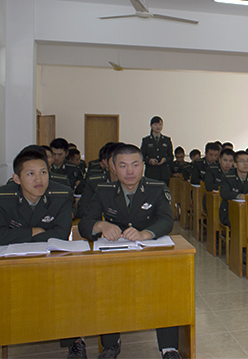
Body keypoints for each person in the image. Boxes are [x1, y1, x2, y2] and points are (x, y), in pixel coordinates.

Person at [79, 144, 181, 359]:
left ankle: (169, 348)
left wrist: (147, 233)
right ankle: (110, 345)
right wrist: (100, 226)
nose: (130, 171)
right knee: (106, 292)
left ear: (143, 165)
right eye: (123, 165)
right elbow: (85, 223)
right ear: (113, 167)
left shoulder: (156, 187)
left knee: (167, 290)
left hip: (150, 254)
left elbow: (166, 220)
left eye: (135, 165)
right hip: (116, 256)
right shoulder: (104, 190)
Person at [0, 146, 80, 356]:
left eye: (43, 172)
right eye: (30, 174)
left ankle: (75, 339)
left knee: (75, 283)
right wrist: (33, 231)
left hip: (51, 259)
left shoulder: (62, 193)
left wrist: (18, 234)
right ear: (16, 179)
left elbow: (60, 234)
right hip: (12, 263)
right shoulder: (2, 197)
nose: (39, 179)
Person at [76, 142, 123, 219]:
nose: (119, 164)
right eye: (114, 160)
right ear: (106, 162)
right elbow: (82, 211)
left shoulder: (139, 184)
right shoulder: (95, 183)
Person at [219, 151, 248, 226]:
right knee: (241, 222)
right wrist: (242, 196)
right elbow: (224, 193)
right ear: (235, 164)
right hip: (230, 212)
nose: (246, 164)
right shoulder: (227, 177)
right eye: (242, 161)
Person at [140, 116, 174, 185]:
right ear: (151, 126)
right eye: (155, 124)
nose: (158, 126)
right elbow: (141, 156)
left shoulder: (167, 140)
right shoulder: (146, 140)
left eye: (160, 124)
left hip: (164, 174)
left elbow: (171, 156)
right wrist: (150, 160)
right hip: (151, 173)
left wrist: (164, 159)